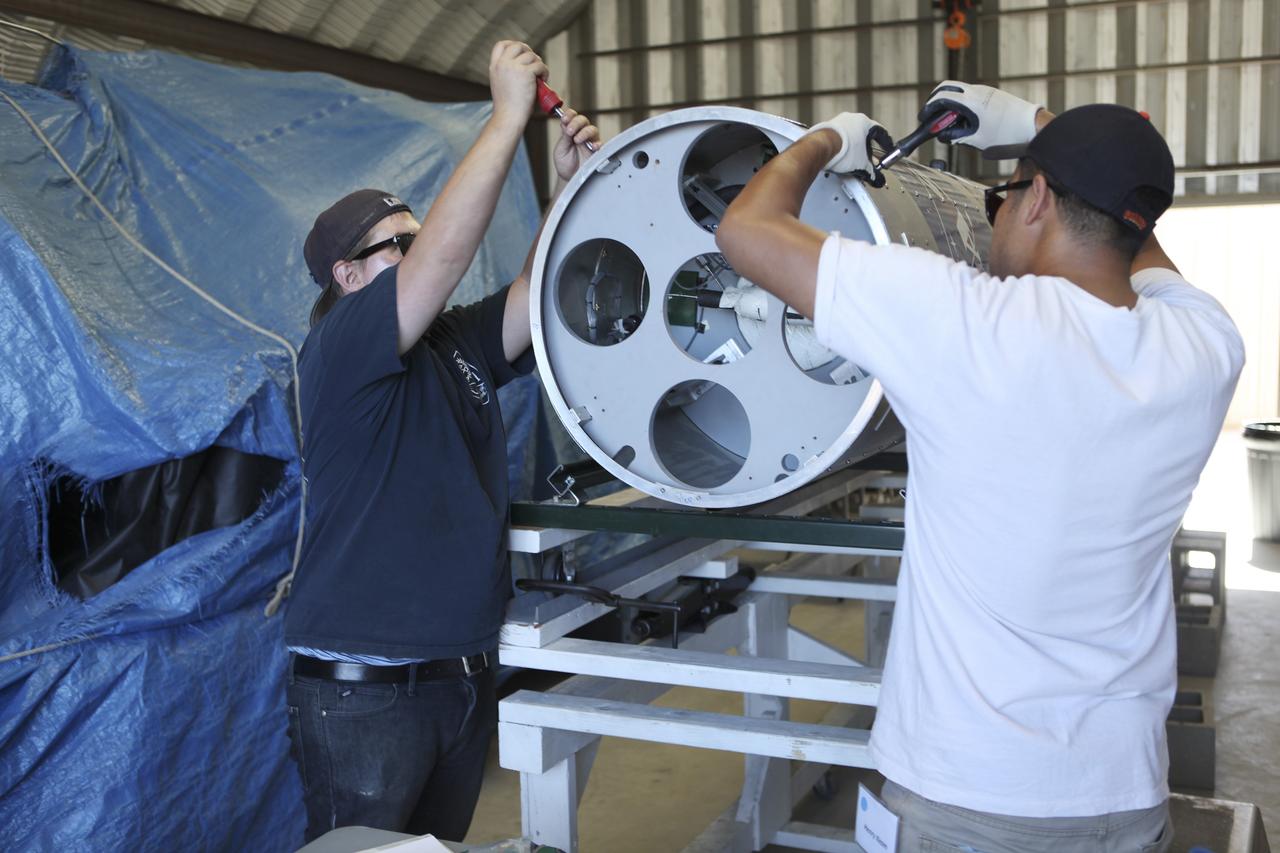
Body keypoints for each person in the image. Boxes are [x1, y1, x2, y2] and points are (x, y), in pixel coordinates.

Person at [716, 82, 1243, 852]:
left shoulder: (966, 321)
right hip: (1124, 798)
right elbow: (1136, 232)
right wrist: (1039, 132)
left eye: (1003, 197)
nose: (993, 217)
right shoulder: (1205, 347)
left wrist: (827, 139)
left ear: (1039, 201)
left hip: (968, 796)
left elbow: (747, 230)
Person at [282, 40, 599, 843]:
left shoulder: (450, 341)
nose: (418, 250)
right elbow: (449, 255)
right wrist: (507, 117)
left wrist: (570, 188)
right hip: (364, 691)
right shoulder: (342, 345)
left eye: (417, 236)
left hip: (457, 675)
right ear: (348, 276)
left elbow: (535, 295)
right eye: (398, 244)